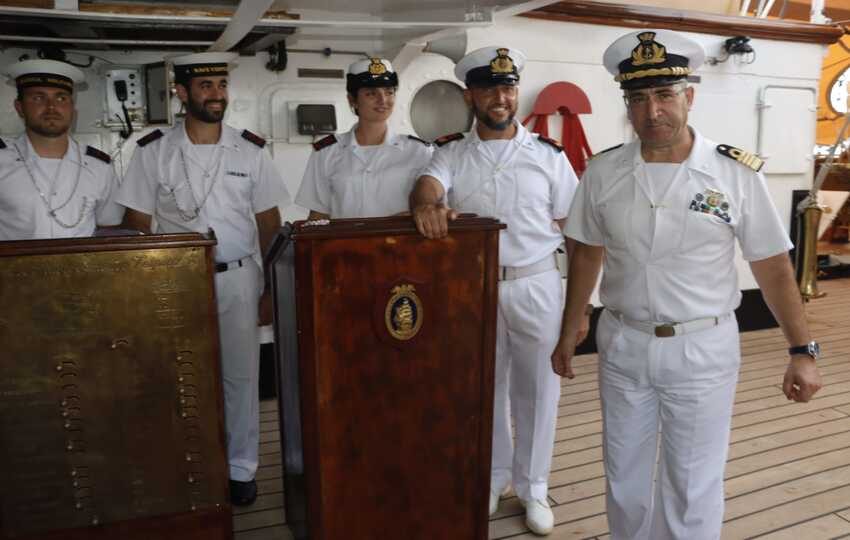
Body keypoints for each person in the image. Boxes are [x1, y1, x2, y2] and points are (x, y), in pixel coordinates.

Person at [551, 29, 823, 540]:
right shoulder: (602, 172)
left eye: (664, 95)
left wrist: (801, 349)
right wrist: (571, 327)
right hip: (624, 344)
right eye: (638, 98)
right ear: (626, 104)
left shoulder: (734, 174)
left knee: (692, 485)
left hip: (702, 348)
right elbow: (586, 250)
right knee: (624, 479)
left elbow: (772, 267)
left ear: (689, 97)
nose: (652, 111)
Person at [410, 46, 586, 535]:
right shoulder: (448, 153)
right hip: (476, 291)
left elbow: (577, 234)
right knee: (486, 387)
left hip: (537, 284)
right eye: (489, 88)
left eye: (508, 87)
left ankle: (533, 488)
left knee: (538, 391)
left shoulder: (549, 158)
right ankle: (492, 479)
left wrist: (581, 306)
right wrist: (428, 206)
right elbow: (427, 187)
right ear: (471, 95)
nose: (501, 97)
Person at [116, 52, 291, 506]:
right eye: (205, 86)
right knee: (176, 374)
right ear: (181, 93)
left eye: (220, 85)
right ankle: (184, 460)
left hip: (237, 276)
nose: (216, 95)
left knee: (240, 376)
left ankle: (241, 468)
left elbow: (269, 224)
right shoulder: (153, 151)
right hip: (175, 281)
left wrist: (271, 288)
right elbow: (137, 223)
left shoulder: (251, 150)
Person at [296, 57, 433, 219]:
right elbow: (318, 216)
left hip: (400, 243)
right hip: (345, 244)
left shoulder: (419, 151)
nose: (383, 100)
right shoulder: (326, 152)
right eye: (371, 93)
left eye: (389, 92)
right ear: (352, 100)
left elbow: (431, 210)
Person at [1, 59, 123, 240]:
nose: (51, 107)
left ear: (72, 109)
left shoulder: (100, 167)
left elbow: (110, 227)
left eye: (61, 98)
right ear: (20, 107)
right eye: (38, 98)